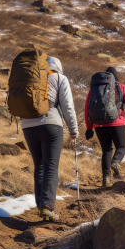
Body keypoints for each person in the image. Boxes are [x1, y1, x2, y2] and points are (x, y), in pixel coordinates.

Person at [21, 56, 78, 222]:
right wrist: (73, 130)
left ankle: (41, 206)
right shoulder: (59, 77)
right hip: (51, 124)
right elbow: (67, 105)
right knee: (51, 166)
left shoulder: (30, 78)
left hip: (28, 126)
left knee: (39, 165)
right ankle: (47, 207)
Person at [84, 66, 125, 188]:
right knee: (121, 147)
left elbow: (87, 109)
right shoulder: (122, 88)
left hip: (98, 124)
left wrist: (89, 128)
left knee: (106, 150)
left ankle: (106, 179)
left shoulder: (94, 90)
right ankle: (116, 162)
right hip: (116, 122)